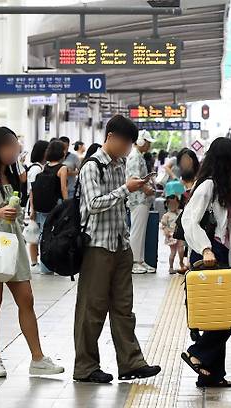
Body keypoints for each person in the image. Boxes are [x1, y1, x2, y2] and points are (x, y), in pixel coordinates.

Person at [0, 127, 64, 378]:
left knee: (26, 299)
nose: (14, 152)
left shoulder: (16, 176)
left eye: (16, 147)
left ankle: (37, 357)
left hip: (12, 245)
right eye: (10, 147)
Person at [74, 115, 161, 384]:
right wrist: (126, 189)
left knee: (124, 308)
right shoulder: (92, 166)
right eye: (125, 143)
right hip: (97, 247)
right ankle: (86, 367)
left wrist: (140, 187)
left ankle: (131, 362)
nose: (127, 149)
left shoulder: (121, 163)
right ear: (111, 137)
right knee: (92, 309)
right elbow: (93, 204)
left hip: (120, 245)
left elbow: (121, 200)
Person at [180, 137, 231, 388]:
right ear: (225, 161)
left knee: (217, 314)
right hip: (208, 254)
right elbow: (189, 220)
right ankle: (197, 352)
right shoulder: (207, 185)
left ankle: (210, 375)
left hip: (217, 251)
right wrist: (206, 248)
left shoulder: (220, 187)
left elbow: (222, 225)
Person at [30, 140, 69, 275]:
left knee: (43, 235)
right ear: (61, 152)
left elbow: (33, 189)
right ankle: (56, 265)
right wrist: (67, 206)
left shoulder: (44, 167)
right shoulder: (62, 168)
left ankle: (45, 267)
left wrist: (32, 209)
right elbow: (63, 188)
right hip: (56, 206)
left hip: (42, 207)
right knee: (56, 236)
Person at [126, 130, 157, 274]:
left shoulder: (138, 156)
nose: (149, 145)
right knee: (137, 231)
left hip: (142, 200)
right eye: (148, 142)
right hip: (138, 199)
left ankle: (140, 260)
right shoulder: (134, 157)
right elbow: (134, 178)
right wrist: (147, 189)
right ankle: (134, 262)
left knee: (140, 231)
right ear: (141, 141)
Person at [25, 140, 49, 273]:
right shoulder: (36, 169)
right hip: (35, 205)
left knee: (34, 232)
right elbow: (33, 190)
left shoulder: (38, 167)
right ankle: (34, 261)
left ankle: (35, 261)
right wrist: (33, 209)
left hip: (35, 205)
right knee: (35, 233)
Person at [161, 193, 185, 274]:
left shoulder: (181, 212)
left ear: (178, 203)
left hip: (180, 234)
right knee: (173, 252)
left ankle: (181, 263)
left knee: (181, 250)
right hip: (171, 235)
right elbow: (163, 225)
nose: (173, 206)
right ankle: (171, 267)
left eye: (175, 204)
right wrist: (166, 231)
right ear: (167, 205)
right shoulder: (166, 215)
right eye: (171, 204)